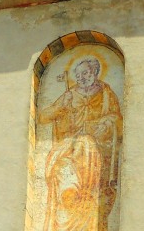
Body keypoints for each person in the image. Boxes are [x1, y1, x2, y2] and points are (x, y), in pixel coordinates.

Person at [39, 56, 123, 231]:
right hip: (69, 149)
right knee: (61, 175)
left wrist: (106, 123)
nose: (81, 78)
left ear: (95, 72)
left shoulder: (106, 94)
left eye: (85, 73)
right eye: (78, 75)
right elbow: (43, 117)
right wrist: (61, 105)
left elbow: (118, 120)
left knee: (88, 147)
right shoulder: (70, 94)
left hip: (95, 154)